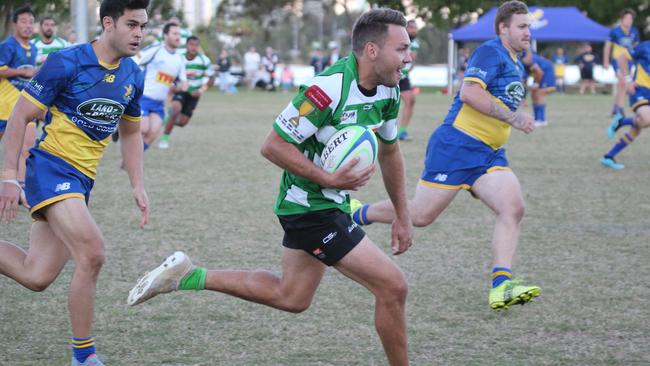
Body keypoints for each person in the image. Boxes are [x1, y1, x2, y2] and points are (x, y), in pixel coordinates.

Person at [128, 8, 413, 365]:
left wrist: (402, 214)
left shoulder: (389, 92)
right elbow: (273, 145)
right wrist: (328, 178)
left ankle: (188, 275)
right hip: (310, 208)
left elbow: (391, 153)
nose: (409, 57)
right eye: (402, 48)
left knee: (291, 296)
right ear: (372, 50)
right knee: (393, 286)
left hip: (327, 204)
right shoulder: (327, 90)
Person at [351, 0, 540, 311]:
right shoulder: (490, 52)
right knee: (421, 215)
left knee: (513, 207)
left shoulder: (515, 61)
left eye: (528, 26)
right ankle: (357, 214)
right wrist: (514, 117)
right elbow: (469, 93)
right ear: (503, 28)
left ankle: (501, 285)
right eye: (521, 26)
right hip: (458, 145)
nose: (527, 32)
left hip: (488, 153)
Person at [0, 0, 150, 364]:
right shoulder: (66, 62)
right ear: (109, 23)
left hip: (81, 180)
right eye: (132, 25)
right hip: (50, 168)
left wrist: (137, 183)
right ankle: (84, 356)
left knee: (36, 275)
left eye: (143, 26)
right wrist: (8, 178)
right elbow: (20, 117)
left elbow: (130, 134)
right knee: (93, 252)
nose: (139, 34)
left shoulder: (133, 74)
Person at [0, 6, 38, 203]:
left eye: (31, 22)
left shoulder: (33, 48)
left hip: (23, 109)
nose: (28, 26)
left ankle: (22, 191)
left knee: (28, 147)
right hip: (2, 107)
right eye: (24, 21)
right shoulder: (7, 46)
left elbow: (30, 77)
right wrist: (21, 72)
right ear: (15, 24)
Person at [600, 40, 650, 170]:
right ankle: (622, 121)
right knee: (647, 119)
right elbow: (621, 57)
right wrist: (627, 79)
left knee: (638, 127)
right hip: (641, 90)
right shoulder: (645, 47)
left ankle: (608, 156)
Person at [137, 22, 187, 151]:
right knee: (143, 128)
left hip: (159, 103)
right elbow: (135, 59)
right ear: (165, 35)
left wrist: (182, 86)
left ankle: (131, 160)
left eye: (179, 34)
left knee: (152, 134)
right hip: (143, 97)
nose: (178, 37)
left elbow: (183, 81)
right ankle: (120, 127)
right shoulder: (156, 49)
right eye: (174, 33)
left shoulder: (180, 58)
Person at [159, 35, 215, 149]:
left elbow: (212, 78)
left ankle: (167, 119)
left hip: (194, 94)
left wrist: (201, 90)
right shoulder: (179, 57)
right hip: (182, 90)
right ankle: (165, 138)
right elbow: (170, 71)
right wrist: (173, 85)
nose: (194, 47)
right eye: (191, 45)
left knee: (182, 123)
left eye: (196, 45)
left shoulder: (204, 60)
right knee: (176, 109)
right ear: (186, 45)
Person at [603, 9, 639, 117]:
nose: (629, 21)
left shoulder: (634, 31)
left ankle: (615, 108)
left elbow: (636, 47)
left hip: (629, 62)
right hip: (617, 61)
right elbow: (607, 46)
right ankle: (620, 109)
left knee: (621, 86)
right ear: (622, 19)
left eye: (631, 19)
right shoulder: (615, 31)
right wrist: (605, 61)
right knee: (622, 83)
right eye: (627, 18)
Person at [397, 20, 419, 141]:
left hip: (403, 77)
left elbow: (412, 61)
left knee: (410, 100)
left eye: (416, 28)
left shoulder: (415, 43)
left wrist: (406, 72)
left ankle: (402, 132)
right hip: (392, 74)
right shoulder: (398, 41)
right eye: (412, 28)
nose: (414, 30)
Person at [522, 48, 555, 127]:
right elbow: (524, 80)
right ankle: (536, 119)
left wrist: (536, 83)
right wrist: (524, 98)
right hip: (541, 76)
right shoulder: (522, 61)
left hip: (546, 76)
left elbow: (539, 72)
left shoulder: (530, 58)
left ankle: (542, 120)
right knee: (534, 95)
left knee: (539, 95)